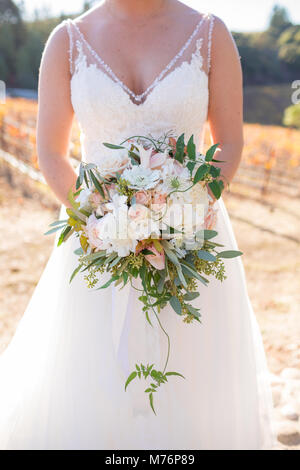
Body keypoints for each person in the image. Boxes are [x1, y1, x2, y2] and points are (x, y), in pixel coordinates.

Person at [0, 0, 276, 450]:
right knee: (92, 376)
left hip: (191, 236)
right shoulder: (67, 42)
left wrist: (183, 213)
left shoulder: (210, 34)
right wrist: (104, 223)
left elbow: (229, 140)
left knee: (191, 376)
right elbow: (51, 151)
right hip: (97, 241)